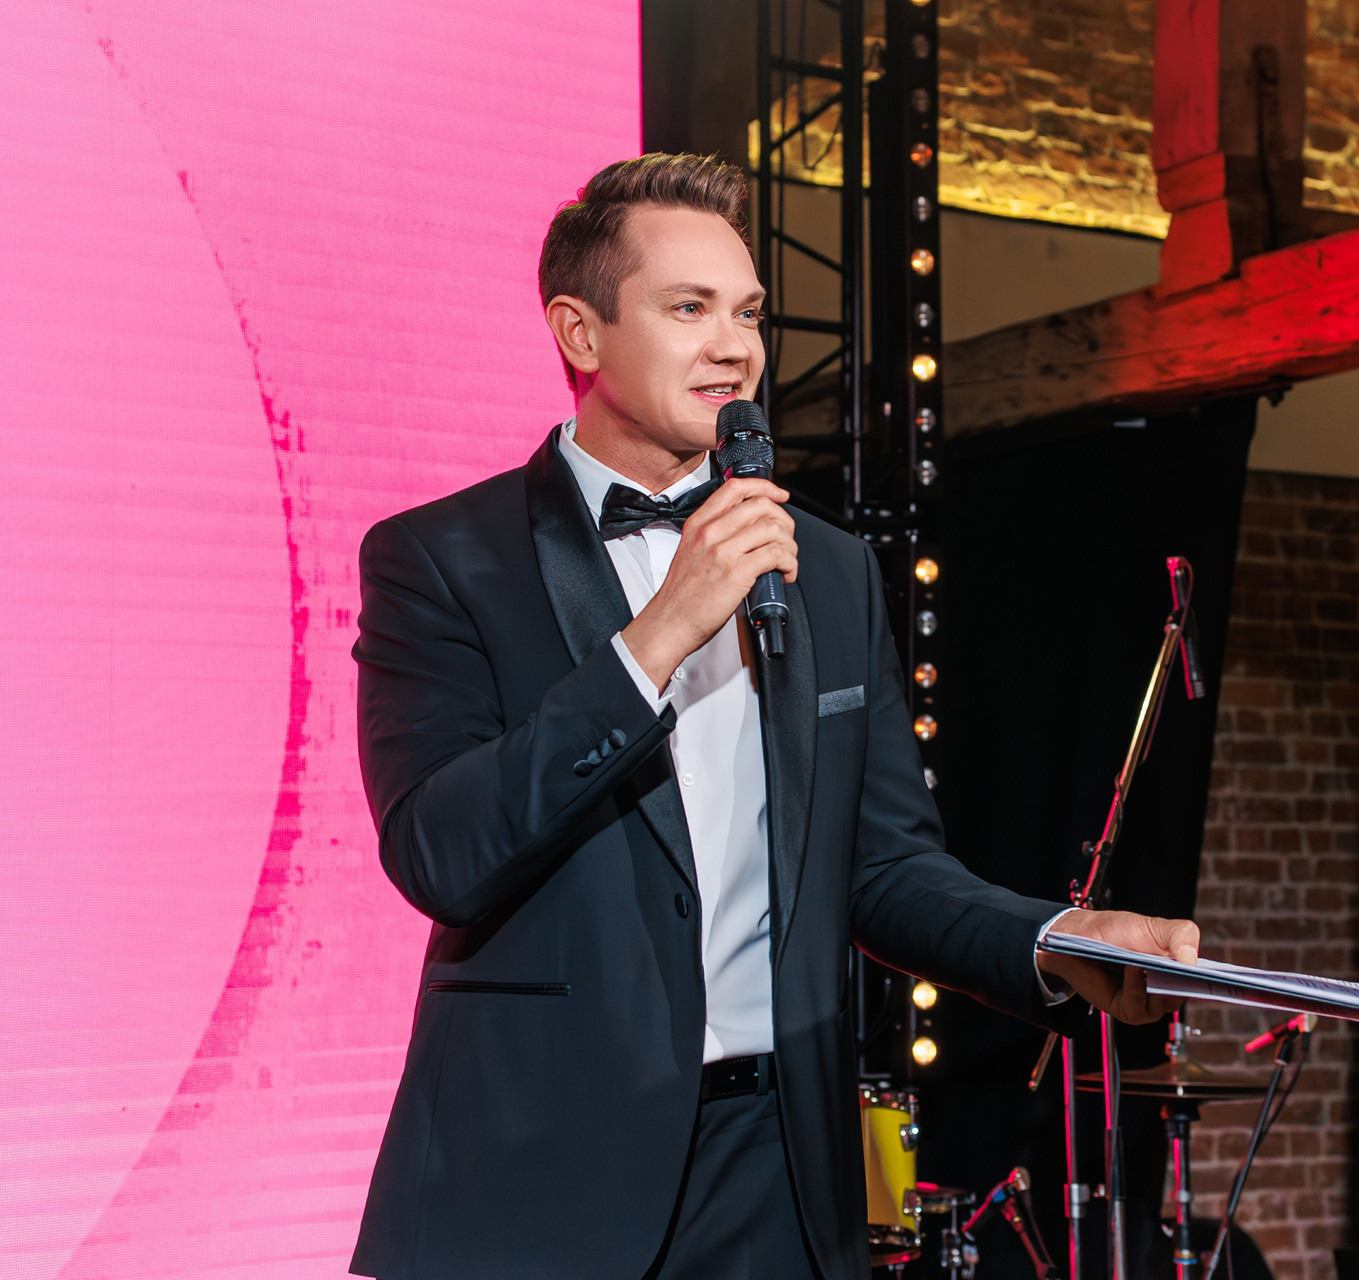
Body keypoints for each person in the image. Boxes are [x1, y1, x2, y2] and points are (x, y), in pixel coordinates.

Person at [345, 153, 1203, 1280]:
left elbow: (884, 868)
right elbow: (441, 853)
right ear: (580, 332)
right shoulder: (442, 559)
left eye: (749, 312)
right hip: (540, 1175)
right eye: (688, 308)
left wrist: (1054, 940)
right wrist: (659, 634)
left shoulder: (828, 571)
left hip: (778, 1173)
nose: (736, 346)